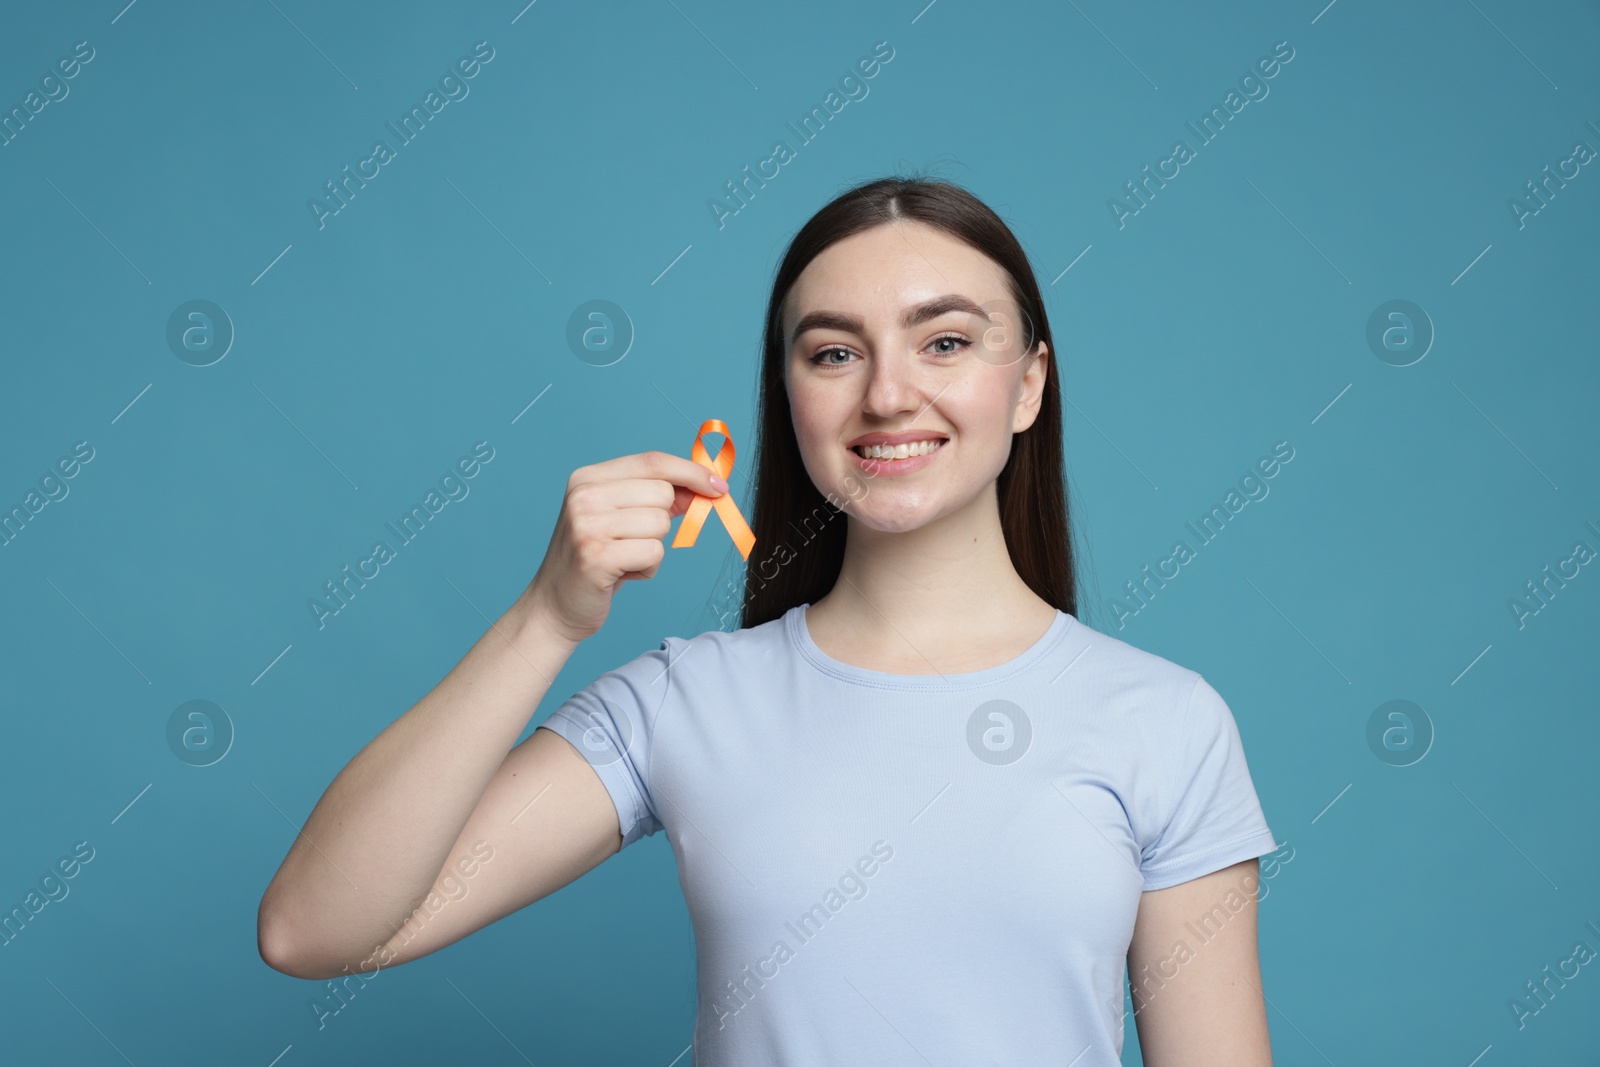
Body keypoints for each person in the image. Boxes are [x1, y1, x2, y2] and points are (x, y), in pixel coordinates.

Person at [257, 175, 1279, 1066]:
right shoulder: (683, 699)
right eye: (834, 353)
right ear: (788, 394)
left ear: (1028, 384)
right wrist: (545, 619)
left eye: (946, 341)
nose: (887, 392)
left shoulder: (1164, 720)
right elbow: (315, 928)